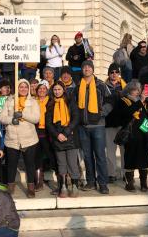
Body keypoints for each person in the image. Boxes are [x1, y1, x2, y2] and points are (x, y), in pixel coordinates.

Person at [75, 60, 112, 194]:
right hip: (83, 126)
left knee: (100, 155)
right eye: (84, 67)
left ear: (92, 69)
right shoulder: (78, 86)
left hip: (98, 126)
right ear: (82, 70)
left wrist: (101, 113)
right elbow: (74, 105)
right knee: (87, 156)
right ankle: (91, 181)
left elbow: (110, 101)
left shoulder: (101, 85)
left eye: (88, 67)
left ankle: (103, 183)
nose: (86, 69)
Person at [0, 79, 40, 198]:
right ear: (17, 88)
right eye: (20, 87)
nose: (23, 89)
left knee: (30, 164)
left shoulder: (32, 101)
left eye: (25, 87)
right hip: (12, 138)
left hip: (29, 138)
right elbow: (2, 117)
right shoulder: (9, 100)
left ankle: (31, 187)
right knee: (11, 164)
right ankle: (10, 186)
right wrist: (11, 119)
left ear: (28, 89)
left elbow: (36, 118)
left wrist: (23, 115)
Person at [46, 81, 80, 197]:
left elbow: (76, 118)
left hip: (70, 136)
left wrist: (65, 132)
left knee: (72, 163)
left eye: (59, 89)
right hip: (57, 139)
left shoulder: (70, 101)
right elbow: (49, 123)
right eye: (55, 89)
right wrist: (57, 135)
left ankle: (74, 185)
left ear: (63, 90)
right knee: (61, 164)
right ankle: (63, 186)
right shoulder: (50, 104)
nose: (57, 91)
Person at [118, 80, 148, 192]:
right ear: (129, 90)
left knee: (144, 158)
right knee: (130, 158)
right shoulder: (124, 100)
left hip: (143, 132)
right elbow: (127, 113)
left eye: (138, 89)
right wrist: (140, 101)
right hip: (131, 134)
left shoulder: (144, 101)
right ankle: (130, 183)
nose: (137, 92)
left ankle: (143, 183)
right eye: (134, 89)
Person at [104, 63, 126, 183]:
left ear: (119, 74)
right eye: (112, 72)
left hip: (123, 123)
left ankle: (125, 173)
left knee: (124, 150)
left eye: (116, 72)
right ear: (109, 74)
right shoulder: (103, 86)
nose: (114, 74)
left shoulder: (125, 87)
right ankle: (111, 173)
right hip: (109, 123)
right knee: (110, 150)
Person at [35, 80, 55, 191]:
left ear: (47, 91)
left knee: (52, 156)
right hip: (36, 132)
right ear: (37, 90)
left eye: (44, 89)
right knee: (37, 158)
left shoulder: (51, 101)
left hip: (48, 132)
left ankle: (61, 179)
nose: (42, 90)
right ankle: (39, 181)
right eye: (40, 88)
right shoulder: (33, 101)